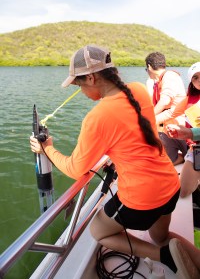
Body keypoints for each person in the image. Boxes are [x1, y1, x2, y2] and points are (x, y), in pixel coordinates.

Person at [30, 45, 200, 278]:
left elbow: (75, 169)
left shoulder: (97, 118)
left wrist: (47, 148)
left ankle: (164, 257)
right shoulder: (138, 89)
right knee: (160, 237)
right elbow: (137, 132)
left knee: (99, 231)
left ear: (91, 77)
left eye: (79, 84)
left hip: (143, 197)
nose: (80, 91)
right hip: (170, 183)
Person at [145, 52, 188, 166]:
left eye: (146, 69)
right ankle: (172, 157)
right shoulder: (162, 79)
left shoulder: (169, 76)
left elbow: (165, 101)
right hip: (171, 122)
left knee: (148, 124)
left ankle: (175, 158)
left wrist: (148, 118)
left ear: (149, 66)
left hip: (178, 122)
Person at [166, 62, 200, 199]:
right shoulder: (188, 100)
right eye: (195, 77)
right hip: (197, 150)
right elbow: (171, 114)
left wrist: (191, 133)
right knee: (183, 192)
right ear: (191, 82)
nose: (199, 80)